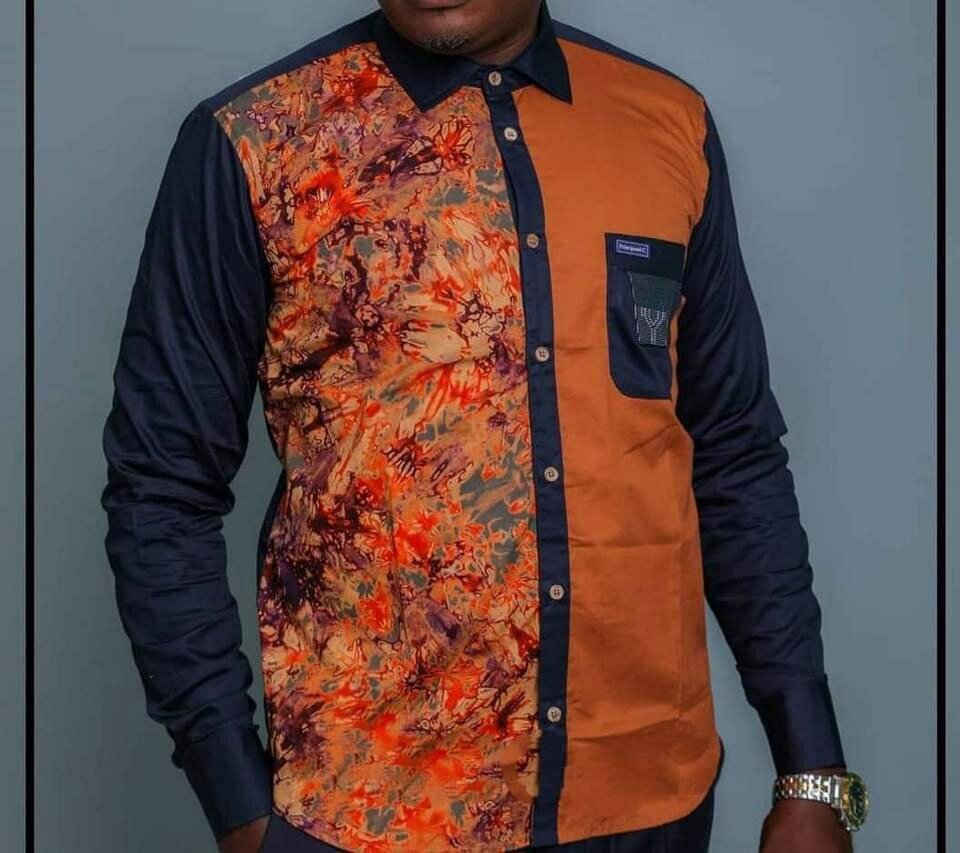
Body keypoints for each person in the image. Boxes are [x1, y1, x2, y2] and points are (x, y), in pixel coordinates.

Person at [99, 1, 870, 851]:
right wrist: (237, 802)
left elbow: (734, 454)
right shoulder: (256, 140)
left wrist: (811, 766)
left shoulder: (666, 125)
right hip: (371, 807)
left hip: (646, 798)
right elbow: (160, 487)